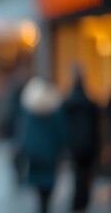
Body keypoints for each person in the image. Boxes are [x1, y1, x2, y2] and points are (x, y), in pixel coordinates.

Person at [14, 76, 69, 213]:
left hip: (35, 155)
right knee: (48, 190)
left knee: (39, 192)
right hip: (51, 154)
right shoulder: (55, 110)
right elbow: (62, 132)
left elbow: (25, 132)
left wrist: (24, 149)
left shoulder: (29, 109)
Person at [62, 70, 100, 212]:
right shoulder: (90, 103)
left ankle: (78, 202)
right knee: (86, 173)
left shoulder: (69, 104)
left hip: (75, 145)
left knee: (77, 174)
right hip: (89, 144)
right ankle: (83, 201)